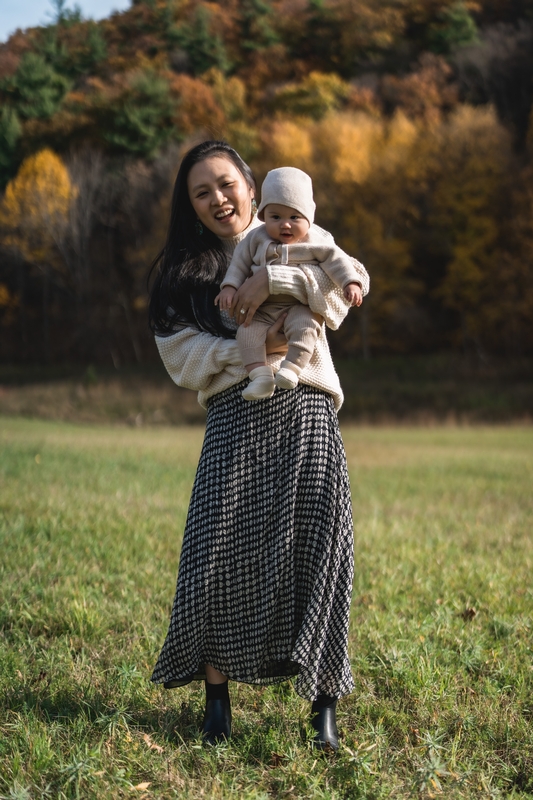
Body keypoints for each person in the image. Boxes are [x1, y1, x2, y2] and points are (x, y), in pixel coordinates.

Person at [148, 140, 370, 750]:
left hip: (307, 410)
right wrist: (258, 349)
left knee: (322, 551)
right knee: (213, 555)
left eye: (226, 184)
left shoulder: (299, 233)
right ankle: (216, 700)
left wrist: (274, 279)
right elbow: (183, 359)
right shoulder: (183, 275)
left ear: (252, 186)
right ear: (190, 206)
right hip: (235, 415)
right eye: (202, 192)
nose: (218, 199)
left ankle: (323, 704)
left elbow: (335, 306)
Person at [215, 166, 363, 401]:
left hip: (298, 307)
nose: (285, 225)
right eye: (276, 217)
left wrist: (350, 283)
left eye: (294, 217)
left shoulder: (316, 240)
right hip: (261, 311)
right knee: (246, 332)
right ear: (263, 216)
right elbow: (239, 264)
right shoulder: (256, 238)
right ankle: (260, 375)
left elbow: (338, 261)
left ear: (309, 218)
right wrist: (229, 287)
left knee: (307, 327)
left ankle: (292, 368)